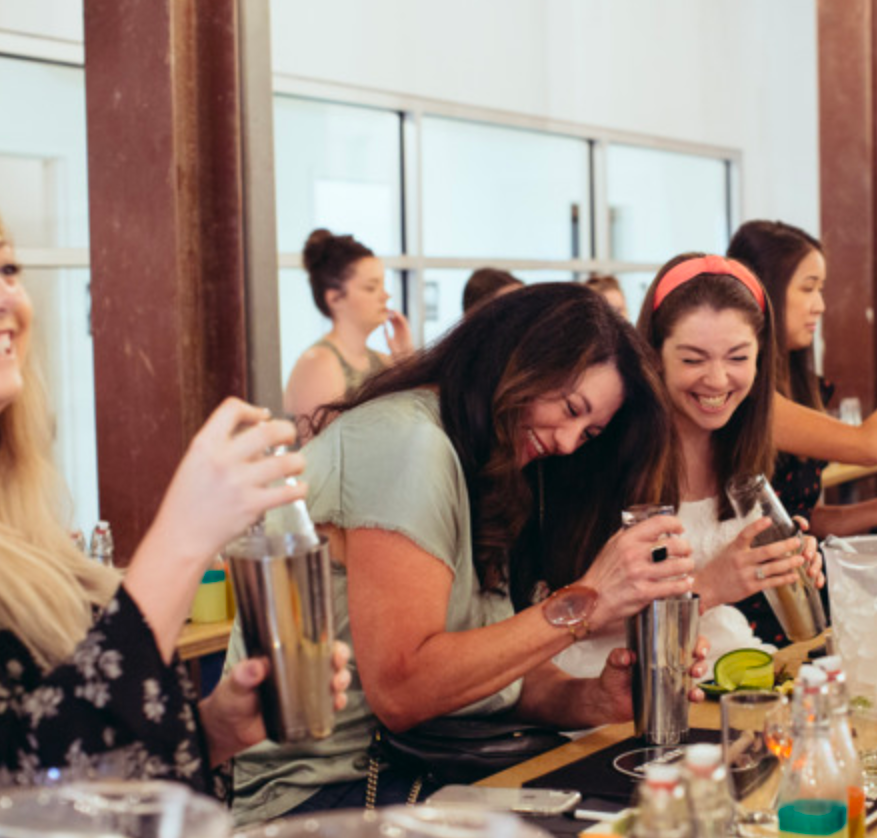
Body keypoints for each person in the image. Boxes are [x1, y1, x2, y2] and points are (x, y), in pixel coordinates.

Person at [229, 283, 706, 822]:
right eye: (571, 409)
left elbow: (495, 671)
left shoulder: (486, 462)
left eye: (590, 432)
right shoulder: (408, 442)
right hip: (321, 796)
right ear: (522, 359)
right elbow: (403, 689)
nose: (569, 442)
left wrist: (592, 699)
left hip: (424, 771)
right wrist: (586, 601)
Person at [0, 217, 351, 791]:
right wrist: (183, 540)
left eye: (8, 268)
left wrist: (212, 729)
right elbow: (25, 789)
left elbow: (79, 749)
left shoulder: (25, 533)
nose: (7, 297)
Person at [557, 253, 822, 665]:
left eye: (737, 358)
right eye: (693, 360)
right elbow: (562, 618)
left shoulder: (744, 455)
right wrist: (709, 586)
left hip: (714, 670)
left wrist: (784, 565)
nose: (717, 380)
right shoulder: (602, 449)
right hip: (615, 680)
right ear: (654, 356)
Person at [728, 220, 877, 533]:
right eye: (808, 288)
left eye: (821, 289)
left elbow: (798, 521)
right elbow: (871, 447)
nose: (821, 305)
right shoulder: (746, 393)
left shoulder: (802, 385)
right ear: (764, 291)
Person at [284, 229, 413, 441]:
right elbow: (325, 458)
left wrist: (405, 357)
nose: (385, 295)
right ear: (335, 299)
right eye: (371, 288)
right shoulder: (318, 364)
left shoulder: (383, 360)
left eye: (383, 285)